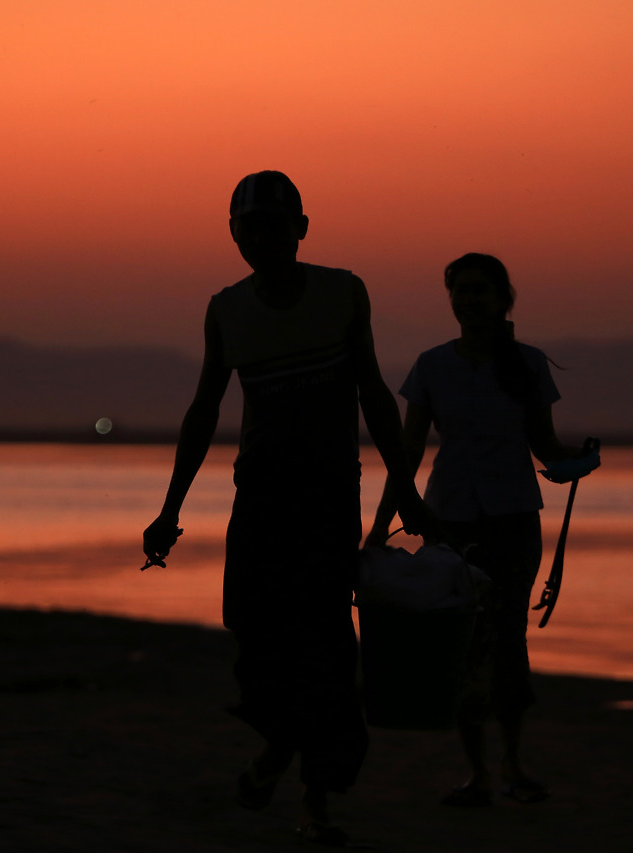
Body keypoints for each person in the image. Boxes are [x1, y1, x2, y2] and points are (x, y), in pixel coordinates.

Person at [142, 171, 431, 845]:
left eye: (277, 224)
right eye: (251, 226)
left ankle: (315, 801)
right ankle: (279, 744)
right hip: (261, 496)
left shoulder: (342, 293)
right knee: (253, 631)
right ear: (234, 235)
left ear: (302, 228)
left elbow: (373, 394)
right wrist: (169, 509)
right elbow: (205, 409)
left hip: (327, 495)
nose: (264, 237)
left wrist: (407, 492)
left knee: (326, 646)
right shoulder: (226, 310)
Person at [364, 252, 598, 807]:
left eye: (479, 290)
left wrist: (580, 459)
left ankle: (513, 763)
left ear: (502, 299)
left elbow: (545, 446)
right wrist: (379, 527)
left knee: (509, 638)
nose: (468, 300)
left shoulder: (528, 364)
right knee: (460, 639)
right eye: (460, 290)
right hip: (449, 519)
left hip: (513, 518)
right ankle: (478, 774)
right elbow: (408, 452)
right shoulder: (431, 365)